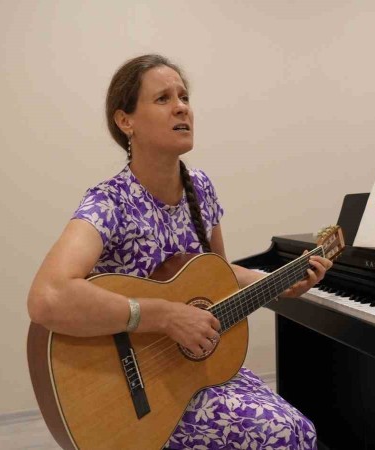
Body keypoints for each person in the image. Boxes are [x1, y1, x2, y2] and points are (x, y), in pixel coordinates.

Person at [27, 54, 332, 450]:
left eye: (184, 97)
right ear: (125, 121)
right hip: (141, 395)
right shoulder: (109, 202)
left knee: (302, 430)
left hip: (196, 373)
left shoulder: (200, 188)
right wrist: (164, 315)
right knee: (281, 435)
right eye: (163, 98)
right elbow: (47, 297)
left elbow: (218, 277)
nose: (181, 107)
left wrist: (272, 283)